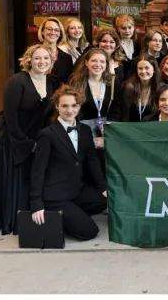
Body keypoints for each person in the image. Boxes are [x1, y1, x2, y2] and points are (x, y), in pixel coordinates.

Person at [0, 44, 56, 235]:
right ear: (29, 60)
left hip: (32, 137)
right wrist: (24, 143)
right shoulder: (16, 81)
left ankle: (24, 218)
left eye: (46, 58)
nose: (42, 62)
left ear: (51, 61)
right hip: (9, 137)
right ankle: (8, 219)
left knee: (26, 179)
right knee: (11, 180)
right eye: (37, 58)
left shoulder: (50, 82)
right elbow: (10, 116)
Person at [29, 85, 107, 241]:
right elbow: (38, 170)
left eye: (73, 105)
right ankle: (61, 219)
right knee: (90, 232)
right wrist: (36, 204)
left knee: (102, 201)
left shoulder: (84, 130)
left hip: (75, 189)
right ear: (57, 107)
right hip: (56, 195)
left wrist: (103, 187)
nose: (69, 110)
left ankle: (71, 214)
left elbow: (92, 161)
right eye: (64, 106)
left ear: (79, 106)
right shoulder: (47, 135)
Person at [67, 47, 123, 174]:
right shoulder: (76, 83)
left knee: (104, 171)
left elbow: (116, 109)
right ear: (86, 62)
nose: (98, 64)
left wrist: (108, 130)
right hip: (83, 132)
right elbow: (73, 111)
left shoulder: (113, 82)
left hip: (107, 133)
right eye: (94, 61)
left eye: (102, 62)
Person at [121, 54, 160, 122]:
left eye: (147, 68)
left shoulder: (159, 88)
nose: (143, 71)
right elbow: (125, 115)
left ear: (154, 69)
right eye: (140, 68)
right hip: (132, 128)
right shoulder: (129, 87)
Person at [52, 18, 89, 87]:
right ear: (67, 31)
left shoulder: (86, 47)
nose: (77, 30)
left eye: (79, 27)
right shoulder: (62, 49)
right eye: (73, 28)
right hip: (69, 86)